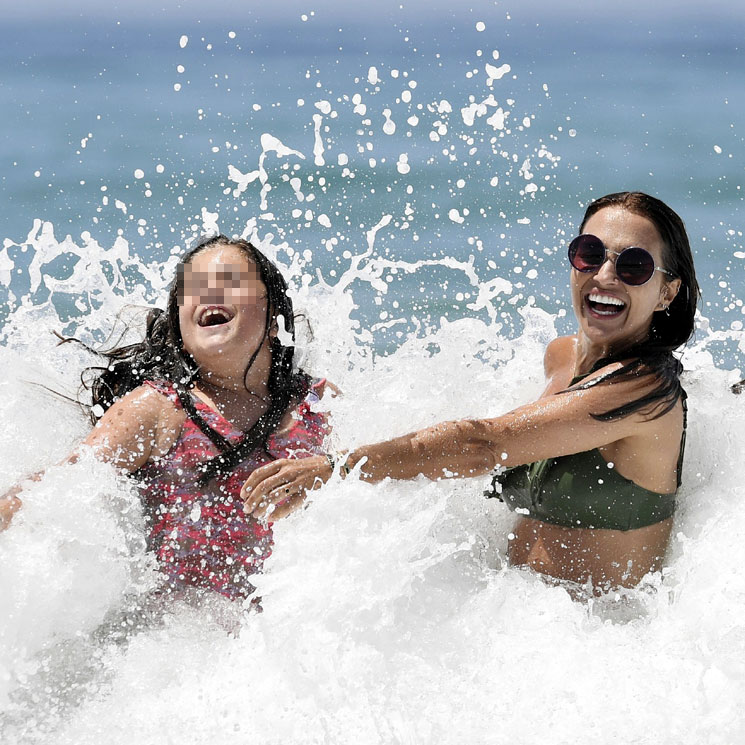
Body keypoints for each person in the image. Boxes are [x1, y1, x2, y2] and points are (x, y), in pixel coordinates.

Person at [242, 192, 700, 592]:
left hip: (602, 649)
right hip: (512, 630)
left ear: (666, 293)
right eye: (589, 252)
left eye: (634, 265)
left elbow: (485, 444)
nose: (604, 274)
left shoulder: (645, 391)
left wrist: (337, 468)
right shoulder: (561, 357)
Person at [0, 235, 331, 603]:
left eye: (230, 281)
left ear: (274, 319)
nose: (209, 294)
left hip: (295, 630)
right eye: (194, 289)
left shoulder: (316, 402)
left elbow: (400, 454)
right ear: (180, 328)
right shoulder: (158, 409)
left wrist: (333, 468)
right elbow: (60, 486)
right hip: (186, 642)